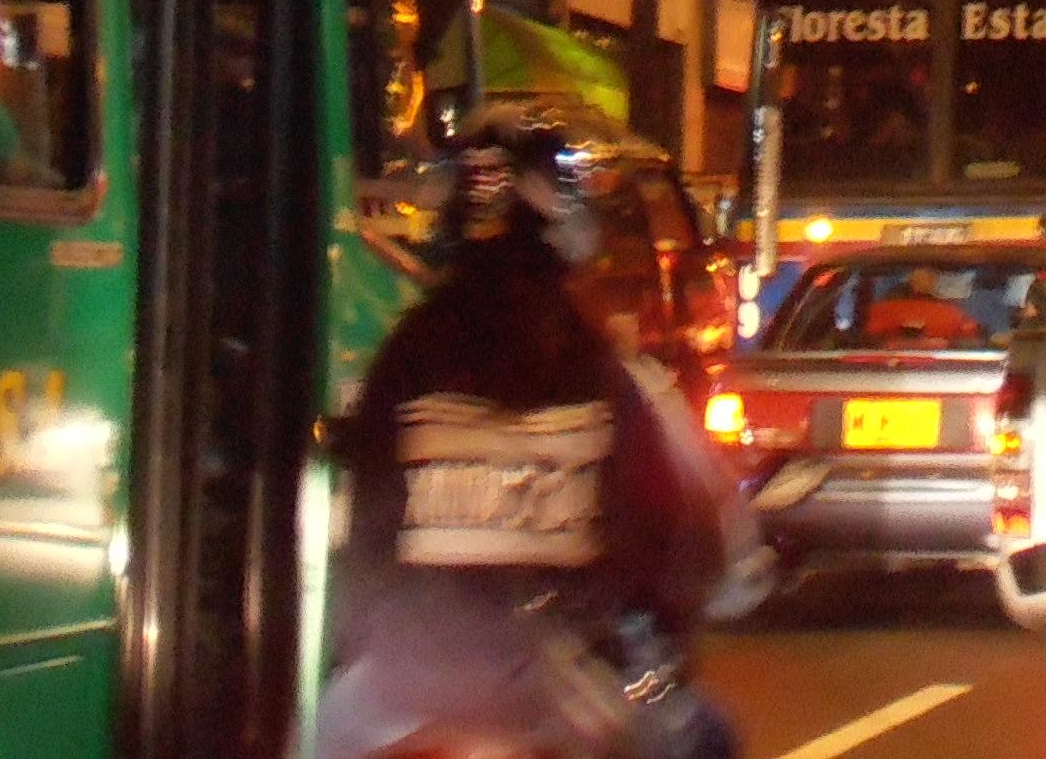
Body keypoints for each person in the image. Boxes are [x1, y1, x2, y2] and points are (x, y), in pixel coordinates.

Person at [317, 106, 757, 759]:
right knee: (709, 738)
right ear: (567, 240)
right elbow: (676, 541)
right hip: (559, 693)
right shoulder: (604, 373)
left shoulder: (402, 359)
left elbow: (364, 536)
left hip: (409, 690)